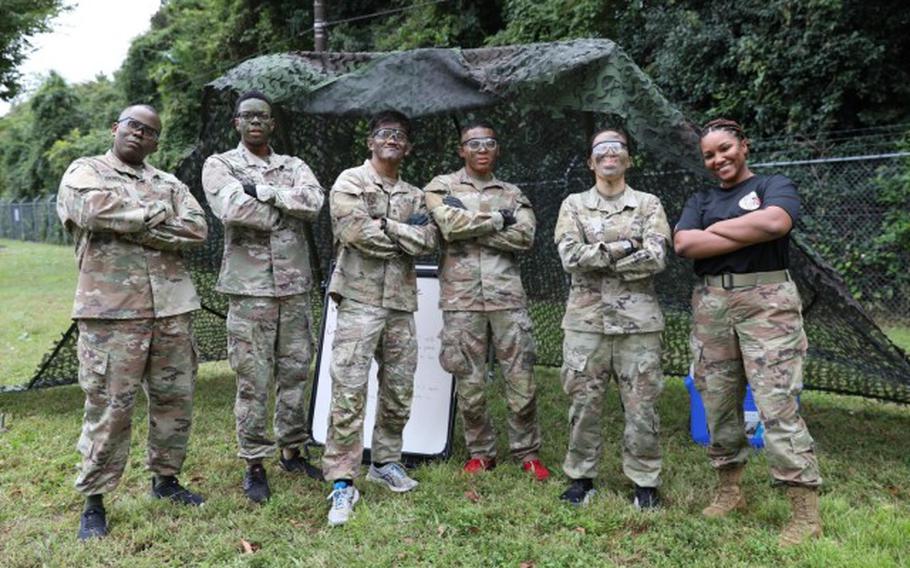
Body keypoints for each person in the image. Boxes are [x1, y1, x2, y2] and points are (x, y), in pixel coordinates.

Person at [57, 105, 208, 541]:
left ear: (157, 142)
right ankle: (95, 500)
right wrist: (154, 216)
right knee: (110, 406)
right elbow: (90, 210)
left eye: (150, 132)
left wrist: (131, 223)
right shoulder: (84, 170)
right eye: (133, 126)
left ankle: (165, 480)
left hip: (172, 309)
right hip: (111, 313)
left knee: (174, 399)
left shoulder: (169, 182)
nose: (140, 135)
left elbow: (197, 228)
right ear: (116, 129)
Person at [674, 118, 822, 546]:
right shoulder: (700, 198)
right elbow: (684, 245)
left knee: (776, 403)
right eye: (709, 154)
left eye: (725, 148)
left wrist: (713, 233)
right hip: (712, 306)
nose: (718, 159)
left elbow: (775, 223)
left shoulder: (776, 184)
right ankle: (729, 492)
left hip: (768, 303)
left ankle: (803, 511)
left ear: (744, 146)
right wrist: (745, 230)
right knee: (717, 402)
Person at [201, 91, 326, 503]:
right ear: (236, 122)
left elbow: (315, 201)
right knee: (253, 378)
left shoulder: (293, 165)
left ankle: (292, 449)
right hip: (249, 289)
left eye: (263, 116)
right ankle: (255, 461)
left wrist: (267, 193)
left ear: (272, 124)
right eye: (247, 115)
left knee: (295, 371)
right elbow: (233, 209)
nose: (255, 121)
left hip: (293, 287)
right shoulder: (220, 164)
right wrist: (285, 210)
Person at [322, 110, 438, 526]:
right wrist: (401, 234)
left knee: (399, 389)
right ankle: (342, 481)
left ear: (407, 147)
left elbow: (428, 240)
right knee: (349, 391)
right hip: (358, 299)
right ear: (371, 142)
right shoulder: (350, 181)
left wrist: (386, 225)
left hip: (400, 303)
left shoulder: (416, 193)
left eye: (400, 136)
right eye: (384, 134)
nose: (392, 140)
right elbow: (354, 232)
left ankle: (385, 461)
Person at [424, 120, 549, 481]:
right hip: (461, 301)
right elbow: (448, 225)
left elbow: (524, 237)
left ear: (497, 149)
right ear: (461, 149)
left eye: (489, 143)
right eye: (473, 143)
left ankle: (527, 453)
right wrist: (499, 220)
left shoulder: (513, 192)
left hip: (507, 300)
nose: (481, 149)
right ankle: (481, 453)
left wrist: (470, 227)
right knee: (470, 383)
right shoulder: (441, 186)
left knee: (521, 380)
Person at [553, 127, 670, 509]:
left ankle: (644, 482)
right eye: (600, 149)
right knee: (583, 404)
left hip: (638, 324)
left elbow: (656, 258)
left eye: (616, 148)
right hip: (586, 324)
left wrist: (598, 254)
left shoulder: (649, 205)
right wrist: (626, 246)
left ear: (628, 159)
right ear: (591, 162)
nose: (609, 154)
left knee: (642, 406)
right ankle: (581, 479)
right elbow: (570, 258)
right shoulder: (573, 205)